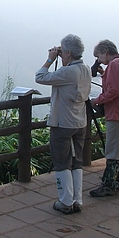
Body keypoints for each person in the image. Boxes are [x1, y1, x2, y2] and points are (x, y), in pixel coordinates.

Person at [35, 34, 91, 215]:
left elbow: (40, 77)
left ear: (67, 52)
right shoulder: (86, 69)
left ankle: (65, 201)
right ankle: (77, 199)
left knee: (62, 162)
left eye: (62, 51)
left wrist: (50, 59)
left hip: (63, 124)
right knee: (76, 161)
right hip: (80, 122)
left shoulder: (67, 72)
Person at [89, 40, 119, 197]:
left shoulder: (114, 64)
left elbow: (114, 90)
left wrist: (97, 100)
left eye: (99, 56)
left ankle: (108, 184)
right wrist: (104, 73)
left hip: (117, 110)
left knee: (113, 148)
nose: (99, 60)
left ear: (106, 51)